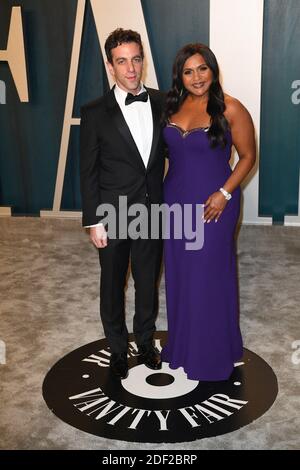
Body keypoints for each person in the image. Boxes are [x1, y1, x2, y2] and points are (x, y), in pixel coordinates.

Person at [161, 43, 256, 381]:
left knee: (208, 276)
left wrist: (225, 194)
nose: (196, 77)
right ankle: (184, 346)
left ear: (213, 70)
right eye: (188, 71)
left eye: (202, 69)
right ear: (180, 76)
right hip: (174, 203)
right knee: (181, 275)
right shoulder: (171, 105)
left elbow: (247, 156)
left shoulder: (230, 108)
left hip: (214, 205)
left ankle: (212, 354)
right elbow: (168, 158)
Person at [80, 28, 165, 379]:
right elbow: (87, 171)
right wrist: (93, 221)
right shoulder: (95, 111)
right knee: (113, 285)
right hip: (112, 214)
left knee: (147, 283)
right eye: (122, 61)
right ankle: (117, 349)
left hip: (153, 211)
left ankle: (145, 341)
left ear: (142, 60)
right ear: (110, 66)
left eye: (136, 59)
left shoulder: (163, 101)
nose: (131, 69)